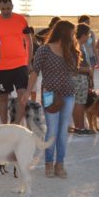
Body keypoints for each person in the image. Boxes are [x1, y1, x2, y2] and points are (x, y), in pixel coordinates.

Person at [21, 20, 80, 178]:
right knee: (52, 130)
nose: (74, 36)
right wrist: (27, 92)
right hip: (49, 95)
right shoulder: (44, 50)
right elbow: (35, 72)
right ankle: (48, 163)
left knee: (62, 132)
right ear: (64, 33)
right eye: (72, 33)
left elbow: (74, 72)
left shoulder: (72, 50)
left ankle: (59, 164)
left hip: (68, 94)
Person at [0, 0, 33, 124]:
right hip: (1, 66)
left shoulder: (21, 20)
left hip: (20, 64)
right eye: (2, 9)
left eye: (8, 8)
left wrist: (28, 62)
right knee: (2, 97)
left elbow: (29, 40)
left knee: (22, 94)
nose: (5, 11)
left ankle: (17, 124)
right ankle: (4, 125)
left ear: (12, 6)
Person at [70, 23, 94, 136]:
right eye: (88, 35)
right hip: (79, 78)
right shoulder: (75, 46)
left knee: (78, 103)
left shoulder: (80, 45)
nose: (89, 37)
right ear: (83, 34)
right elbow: (74, 67)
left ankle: (79, 126)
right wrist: (88, 70)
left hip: (82, 78)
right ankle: (80, 127)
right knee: (79, 104)